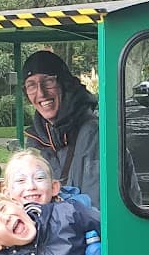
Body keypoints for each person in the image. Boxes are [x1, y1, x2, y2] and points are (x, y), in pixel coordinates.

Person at [21, 50, 100, 210]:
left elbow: (95, 209)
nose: (41, 93)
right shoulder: (35, 140)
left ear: (64, 83)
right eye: (31, 85)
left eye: (48, 82)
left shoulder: (94, 133)